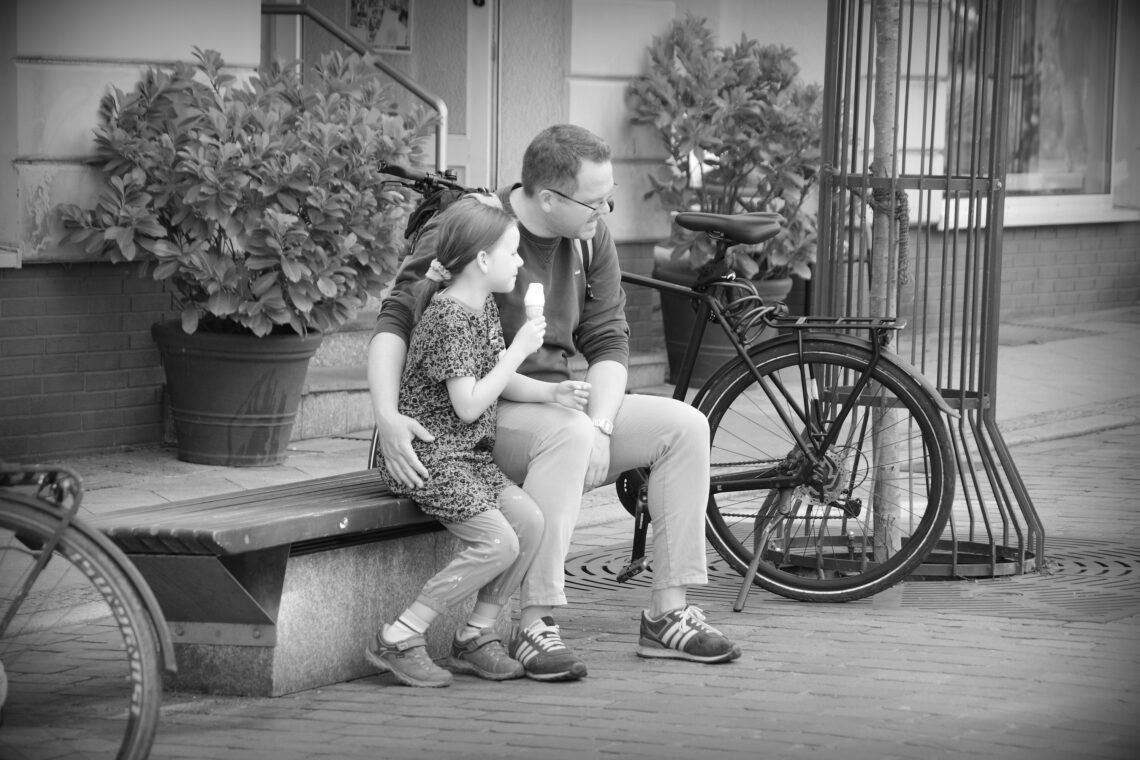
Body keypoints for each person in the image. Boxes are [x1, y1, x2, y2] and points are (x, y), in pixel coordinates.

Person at [370, 124, 741, 682]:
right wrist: (387, 417)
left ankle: (667, 613)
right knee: (566, 434)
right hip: (477, 418)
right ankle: (534, 622)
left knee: (683, 425)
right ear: (548, 198)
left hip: (546, 398)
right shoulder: (475, 228)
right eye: (595, 201)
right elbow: (396, 320)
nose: (607, 210)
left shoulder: (590, 236)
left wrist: (605, 424)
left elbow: (610, 340)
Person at [366, 196, 591, 687]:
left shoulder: (481, 305)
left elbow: (497, 381)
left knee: (531, 523)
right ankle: (401, 634)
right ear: (483, 260)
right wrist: (518, 351)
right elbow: (468, 403)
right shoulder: (449, 316)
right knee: (498, 541)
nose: (519, 262)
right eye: (513, 253)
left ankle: (475, 633)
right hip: (431, 456)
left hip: (467, 455)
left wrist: (551, 390)